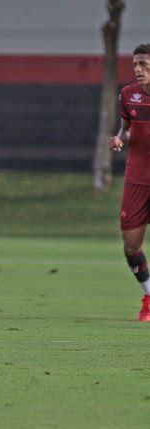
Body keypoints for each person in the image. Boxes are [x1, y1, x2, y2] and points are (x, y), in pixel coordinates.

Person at [109, 43, 150, 322]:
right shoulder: (128, 95)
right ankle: (149, 296)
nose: (138, 69)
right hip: (137, 178)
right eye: (135, 64)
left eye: (144, 64)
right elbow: (125, 128)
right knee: (130, 246)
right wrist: (119, 138)